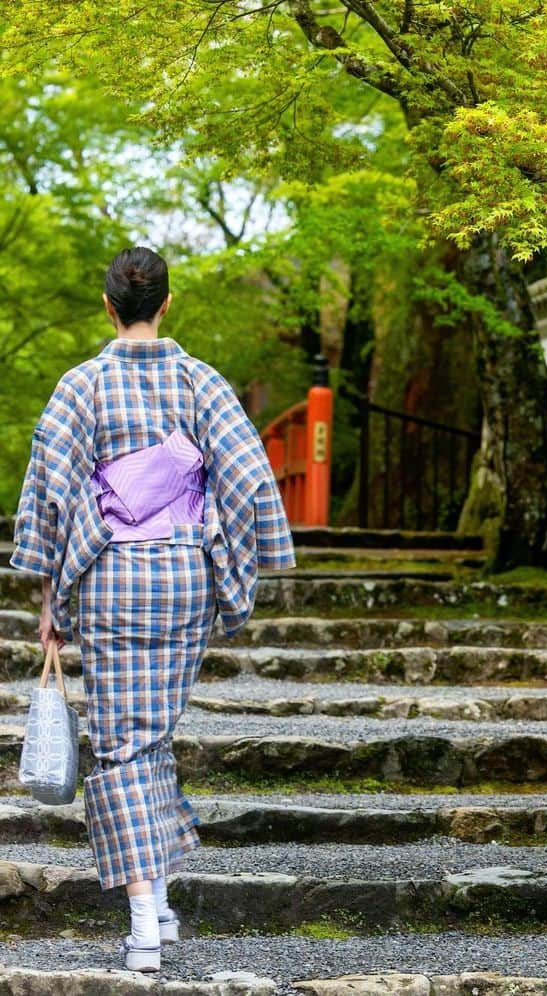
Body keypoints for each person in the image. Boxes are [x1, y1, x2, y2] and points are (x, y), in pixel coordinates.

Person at [9, 246, 296, 973]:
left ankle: (141, 927)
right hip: (182, 576)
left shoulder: (81, 387)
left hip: (110, 575)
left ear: (110, 306)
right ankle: (161, 902)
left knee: (123, 745)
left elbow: (51, 494)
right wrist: (236, 565)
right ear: (167, 303)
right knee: (151, 738)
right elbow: (250, 479)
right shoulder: (201, 382)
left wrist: (50, 598)